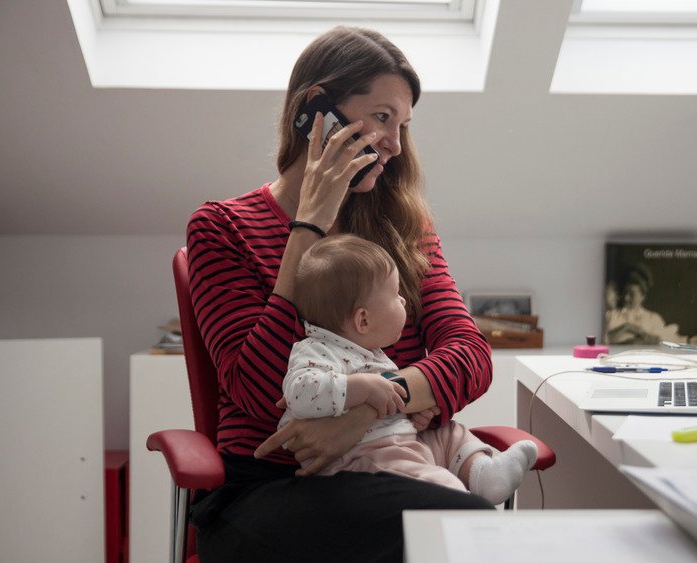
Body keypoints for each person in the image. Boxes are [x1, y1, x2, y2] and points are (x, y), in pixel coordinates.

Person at [185, 26, 502, 562]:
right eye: (381, 117)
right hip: (270, 488)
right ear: (316, 109)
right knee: (460, 528)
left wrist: (364, 412)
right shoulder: (221, 227)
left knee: (456, 528)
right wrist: (307, 226)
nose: (395, 144)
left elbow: (471, 356)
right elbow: (257, 393)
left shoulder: (405, 228)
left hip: (393, 467)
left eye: (402, 125)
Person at [283, 234, 537, 504]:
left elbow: (468, 351)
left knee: (449, 432)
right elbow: (299, 393)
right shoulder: (317, 350)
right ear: (363, 320)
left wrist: (412, 414)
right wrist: (363, 388)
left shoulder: (370, 351)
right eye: (395, 295)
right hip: (363, 458)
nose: (404, 301)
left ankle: (484, 475)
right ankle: (457, 497)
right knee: (438, 485)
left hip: (395, 440)